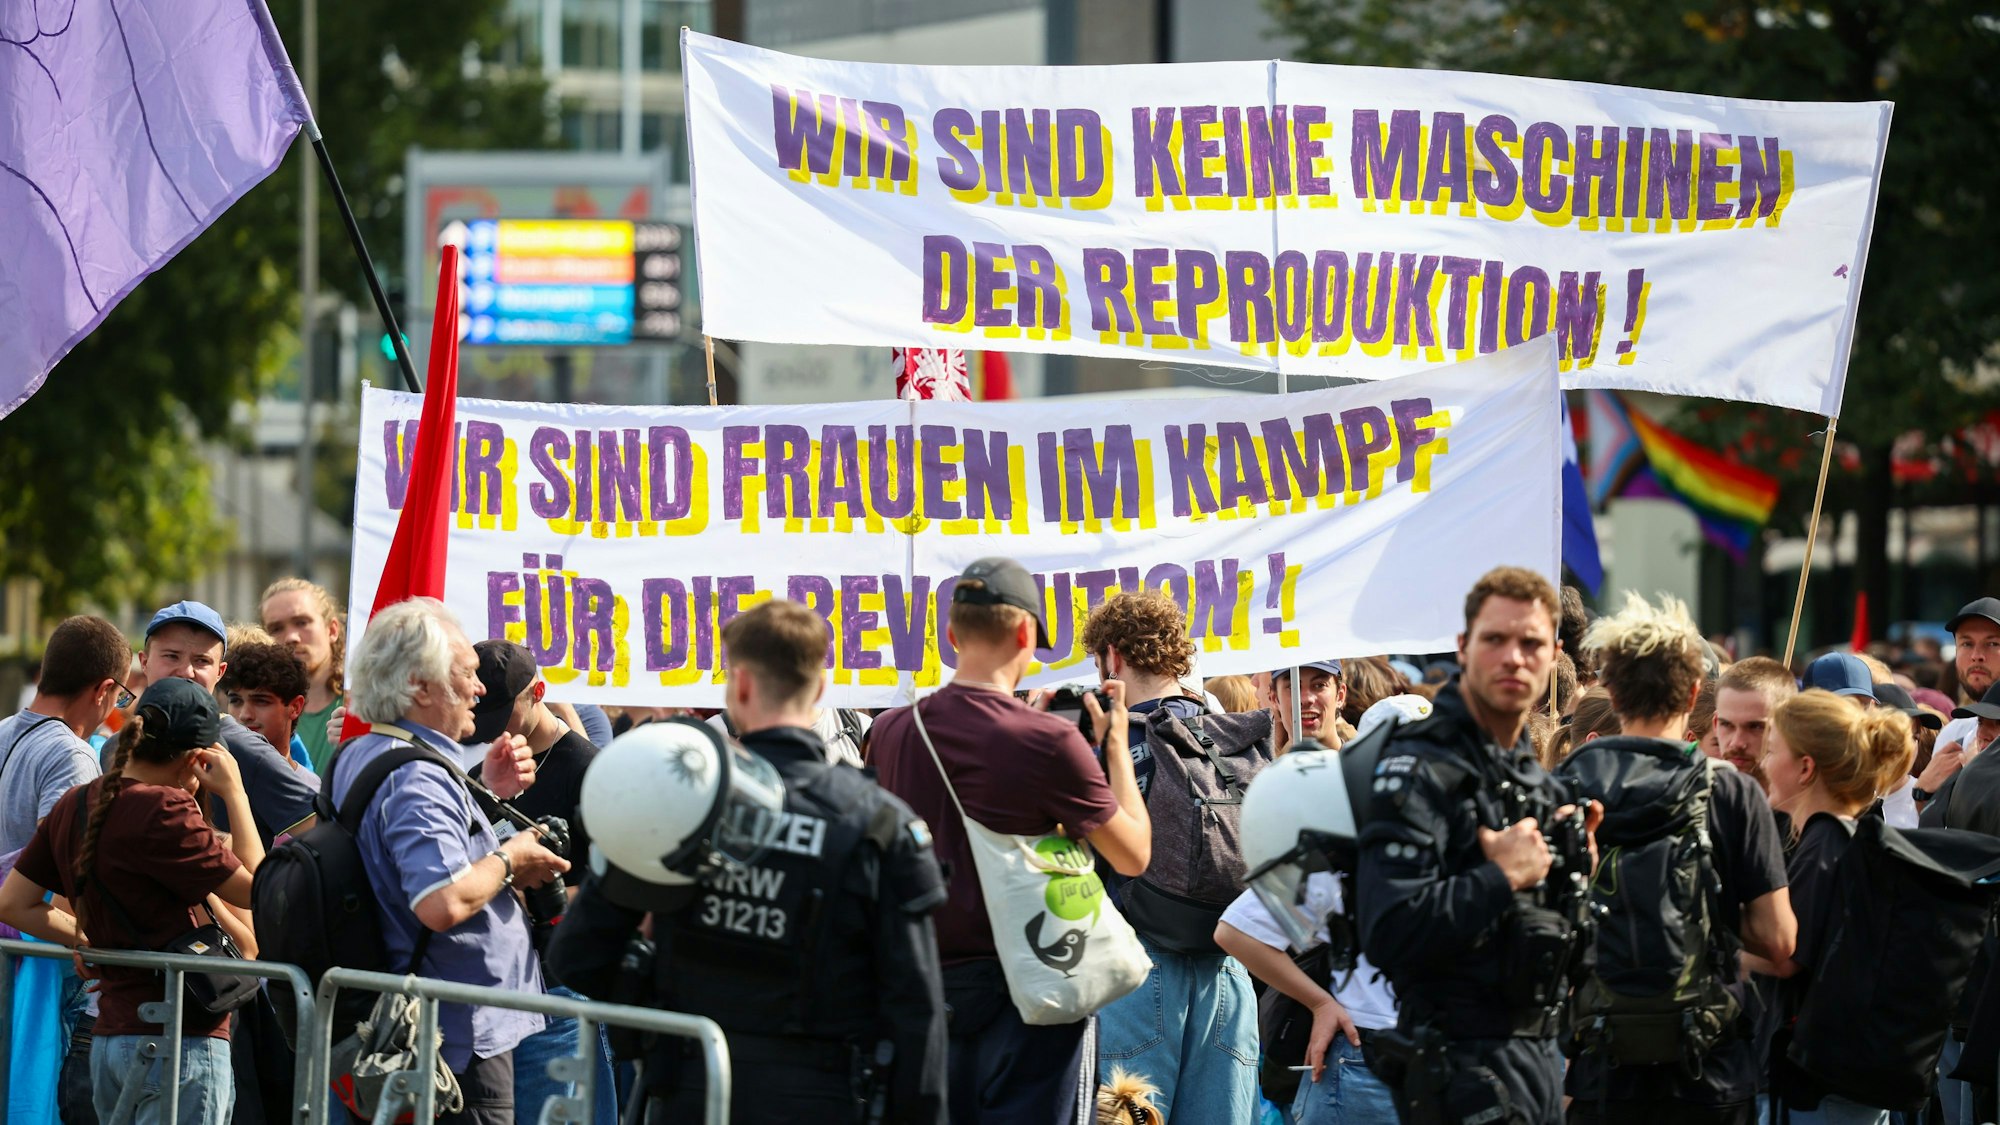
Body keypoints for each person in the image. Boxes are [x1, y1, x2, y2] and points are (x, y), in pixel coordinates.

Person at [551, 599, 949, 1123]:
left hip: (695, 1090)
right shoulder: (879, 821)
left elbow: (579, 957)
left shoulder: (674, 799)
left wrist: (655, 1001)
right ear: (821, 688)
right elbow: (916, 1009)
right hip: (824, 1099)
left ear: (738, 685)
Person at [869, 557, 1151, 1125]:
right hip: (1029, 996)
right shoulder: (1047, 742)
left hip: (920, 992)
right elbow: (1134, 854)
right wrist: (1116, 745)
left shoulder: (890, 730)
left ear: (952, 635)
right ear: (1025, 634)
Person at [1356, 566, 1596, 1125]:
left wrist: (1577, 870)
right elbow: (1387, 932)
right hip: (1457, 1071)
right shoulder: (1419, 767)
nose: (1514, 658)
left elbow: (1569, 956)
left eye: (1530, 643)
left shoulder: (1536, 780)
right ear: (1464, 646)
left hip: (1537, 1063)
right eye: (1495, 640)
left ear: (1554, 654)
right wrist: (1500, 877)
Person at [1560, 594, 1795, 1125]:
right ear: (1694, 694)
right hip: (1708, 1066)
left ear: (1611, 692)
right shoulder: (1731, 792)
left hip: (1602, 1063)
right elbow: (1780, 939)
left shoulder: (1569, 783)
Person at [333, 598, 565, 1124]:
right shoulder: (417, 776)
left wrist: (486, 792)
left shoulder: (366, 751)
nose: (480, 689)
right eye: (466, 673)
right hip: (454, 1042)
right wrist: (512, 857)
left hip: (432, 1027)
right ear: (420, 687)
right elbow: (441, 902)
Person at [0, 678, 265, 1125]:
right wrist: (235, 793)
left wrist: (93, 944)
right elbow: (260, 888)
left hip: (109, 1041)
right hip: (179, 1044)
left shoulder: (75, 803)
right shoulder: (167, 809)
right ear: (197, 759)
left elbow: (13, 903)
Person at [1081, 591, 1271, 1122]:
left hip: (1134, 970)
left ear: (1113, 657)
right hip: (1231, 964)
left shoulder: (1109, 744)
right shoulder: (1236, 738)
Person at [464, 639, 617, 1123]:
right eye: (482, 713)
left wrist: (515, 890)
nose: (493, 729)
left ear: (539, 692)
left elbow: (610, 888)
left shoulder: (590, 770)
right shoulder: (481, 773)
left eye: (503, 713)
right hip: (495, 986)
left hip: (558, 988)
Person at [1755, 693, 1914, 1125]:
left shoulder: (1824, 844)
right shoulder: (1840, 836)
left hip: (1818, 1095)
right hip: (1832, 1088)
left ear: (1805, 768)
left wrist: (1715, 944)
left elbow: (1787, 958)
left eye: (1772, 751)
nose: (1763, 764)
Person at [141, 601, 317, 846]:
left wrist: (225, 848)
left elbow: (324, 836)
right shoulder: (117, 747)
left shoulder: (245, 749)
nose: (186, 671)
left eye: (202, 661)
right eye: (171, 656)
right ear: (144, 662)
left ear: (220, 672)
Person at [0, 615, 128, 855]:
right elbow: (69, 865)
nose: (116, 707)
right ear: (103, 690)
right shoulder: (72, 756)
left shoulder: (3, 729)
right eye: (120, 696)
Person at [259, 578, 346, 773]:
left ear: (332, 630)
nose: (291, 637)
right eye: (276, 628)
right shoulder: (257, 710)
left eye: (302, 622)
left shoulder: (363, 703)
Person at [218, 641, 313, 773]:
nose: (245, 715)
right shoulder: (202, 775)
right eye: (235, 701)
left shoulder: (311, 785)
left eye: (261, 701)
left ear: (295, 707)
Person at [1714, 657, 1797, 794]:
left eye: (1755, 727)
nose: (1737, 743)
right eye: (1727, 725)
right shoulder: (1694, 802)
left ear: (1787, 727)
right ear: (1715, 723)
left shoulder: (1809, 806)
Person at [1269, 660, 1348, 753]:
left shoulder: (1361, 760)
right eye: (1293, 687)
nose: (1306, 699)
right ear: (1275, 699)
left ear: (1340, 695)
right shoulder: (1269, 763)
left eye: (1319, 685)